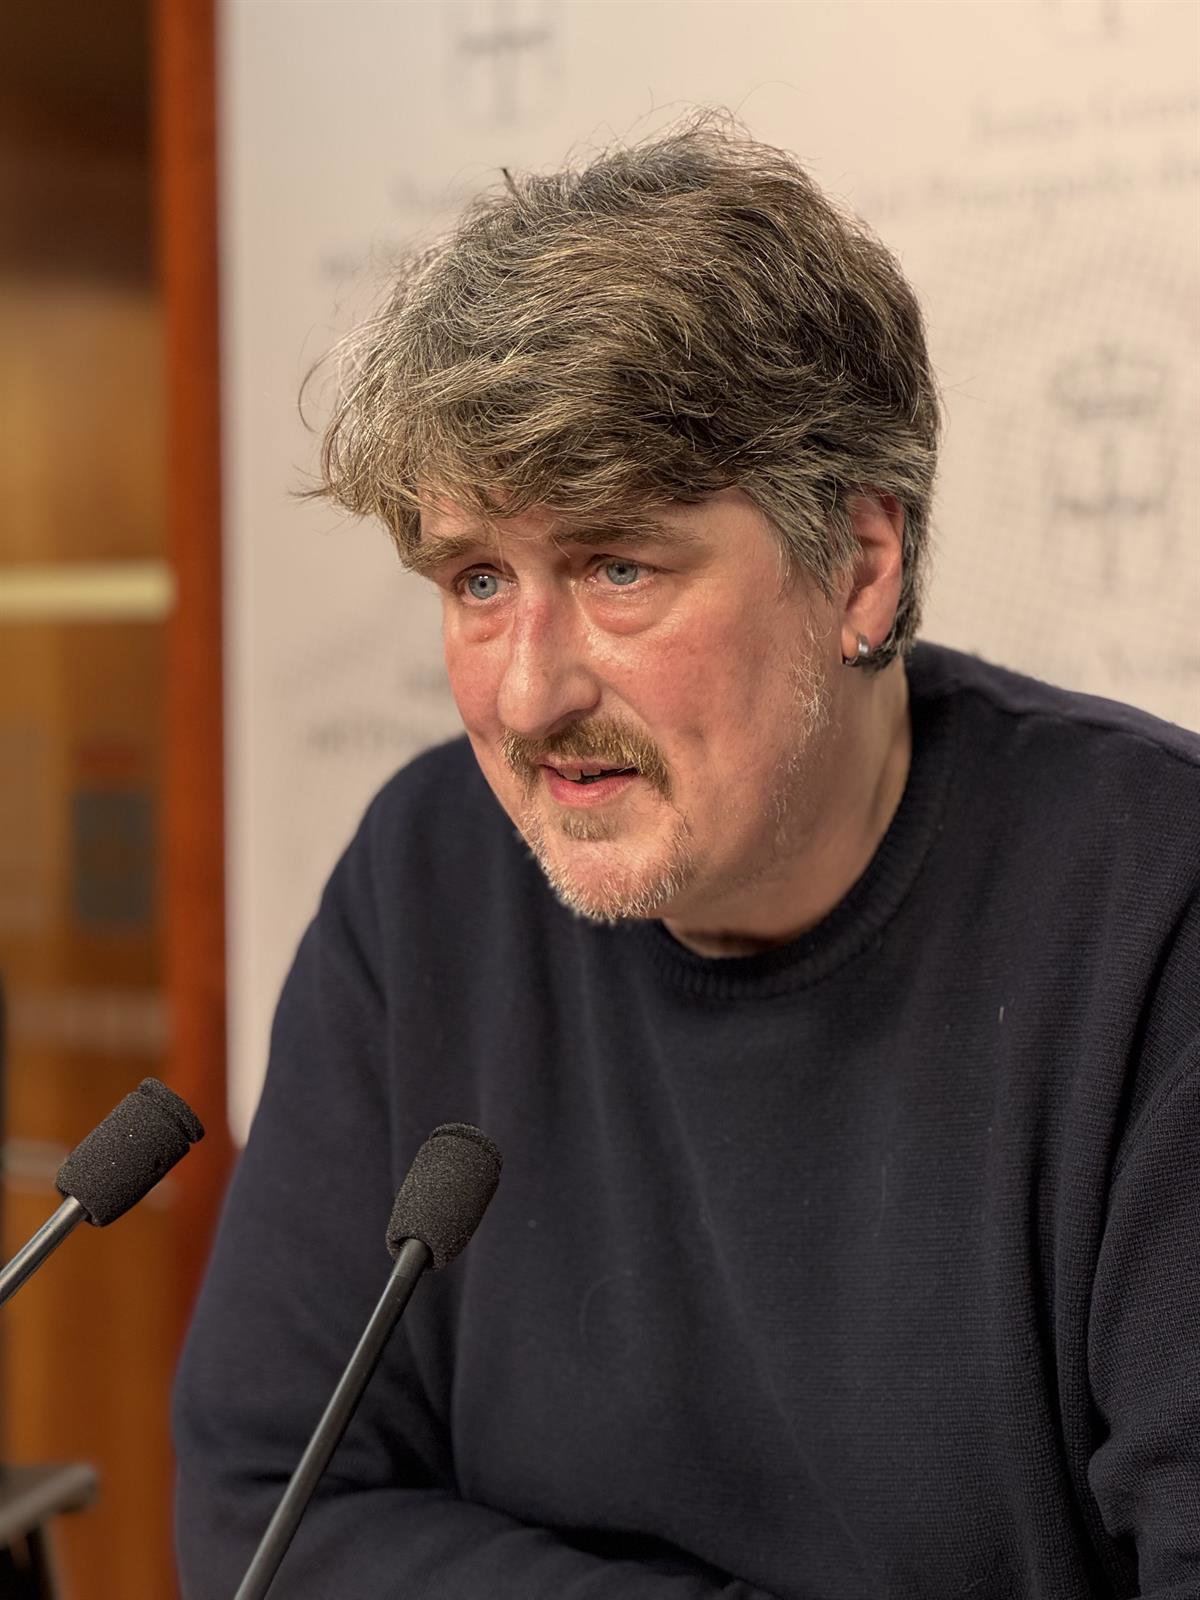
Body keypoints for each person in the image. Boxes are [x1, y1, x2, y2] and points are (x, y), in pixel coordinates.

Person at [172, 112, 1200, 1599]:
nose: (528, 695)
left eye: (617, 566)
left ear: (860, 565)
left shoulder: (1157, 911)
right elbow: (262, 1511)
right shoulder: (425, 878)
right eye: (478, 580)